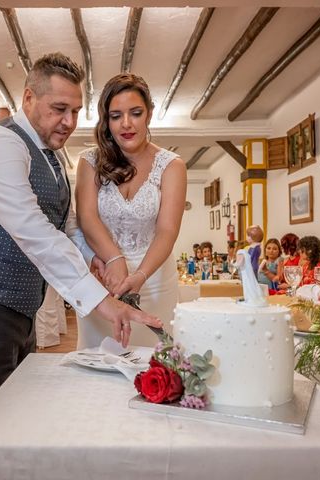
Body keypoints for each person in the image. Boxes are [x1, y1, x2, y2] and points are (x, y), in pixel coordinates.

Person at [0, 53, 161, 434]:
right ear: (28, 98)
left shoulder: (52, 152)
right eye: (59, 109)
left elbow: (65, 221)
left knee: (14, 412)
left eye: (75, 111)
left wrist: (95, 258)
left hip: (19, 305)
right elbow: (34, 230)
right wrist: (102, 302)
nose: (69, 122)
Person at [76, 72, 186, 348]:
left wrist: (140, 275)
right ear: (106, 120)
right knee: (98, 362)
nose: (126, 124)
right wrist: (113, 259)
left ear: (149, 114)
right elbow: (87, 218)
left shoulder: (172, 166)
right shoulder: (89, 161)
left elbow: (167, 231)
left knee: (154, 368)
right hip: (102, 280)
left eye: (135, 113)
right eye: (115, 116)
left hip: (154, 279)